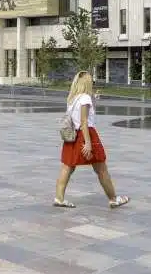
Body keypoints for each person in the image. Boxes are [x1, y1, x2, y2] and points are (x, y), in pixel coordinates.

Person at [53, 71, 129, 209]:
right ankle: (113, 199)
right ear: (87, 83)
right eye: (91, 81)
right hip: (86, 134)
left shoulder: (73, 99)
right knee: (101, 169)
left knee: (67, 167)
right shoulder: (85, 98)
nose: (93, 83)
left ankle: (59, 198)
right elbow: (84, 121)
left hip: (73, 136)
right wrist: (88, 143)